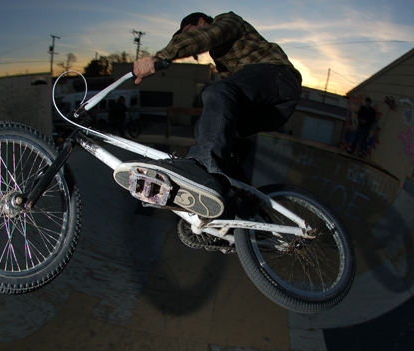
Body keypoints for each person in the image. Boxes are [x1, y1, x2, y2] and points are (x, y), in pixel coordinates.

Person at [114, 12, 302, 218]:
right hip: (264, 108)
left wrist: (162, 56)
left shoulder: (228, 20)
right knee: (209, 126)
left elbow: (209, 35)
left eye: (188, 31)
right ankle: (240, 211)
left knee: (217, 92)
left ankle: (203, 168)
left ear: (201, 22)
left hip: (278, 78)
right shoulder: (220, 56)